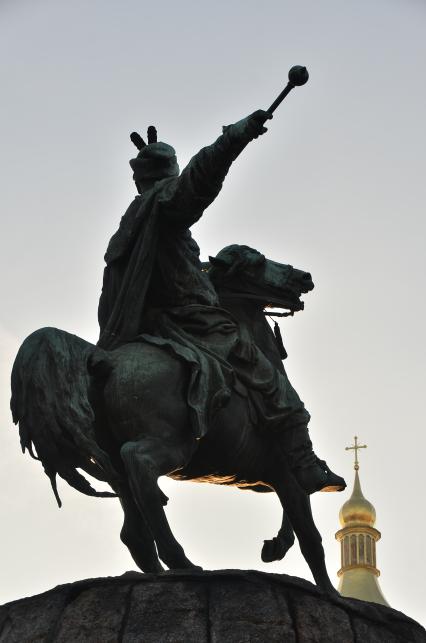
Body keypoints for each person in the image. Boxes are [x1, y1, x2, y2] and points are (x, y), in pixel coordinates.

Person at [97, 112, 345, 494]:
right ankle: (304, 462)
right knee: (272, 381)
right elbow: (199, 179)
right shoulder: (164, 203)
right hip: (195, 322)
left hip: (146, 326)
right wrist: (235, 137)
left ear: (138, 178)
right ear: (167, 175)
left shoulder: (132, 222)